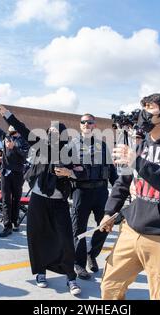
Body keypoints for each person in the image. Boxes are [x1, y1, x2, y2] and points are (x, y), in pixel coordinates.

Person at [99, 94, 160, 300]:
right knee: (110, 288)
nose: (143, 113)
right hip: (130, 231)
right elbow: (122, 183)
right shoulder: (142, 146)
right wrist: (109, 211)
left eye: (149, 108)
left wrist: (139, 163)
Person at [0, 103, 86, 296]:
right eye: (49, 130)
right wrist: (7, 114)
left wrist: (69, 172)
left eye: (55, 131)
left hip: (59, 200)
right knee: (37, 236)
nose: (51, 133)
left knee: (65, 238)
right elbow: (23, 129)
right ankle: (41, 273)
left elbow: (82, 174)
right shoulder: (41, 145)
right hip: (39, 199)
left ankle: (70, 278)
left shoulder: (70, 151)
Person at [69, 113, 118, 280]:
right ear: (80, 125)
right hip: (81, 192)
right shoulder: (71, 145)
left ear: (94, 126)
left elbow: (111, 169)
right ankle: (79, 264)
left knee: (104, 226)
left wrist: (120, 189)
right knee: (78, 230)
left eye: (89, 122)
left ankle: (92, 254)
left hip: (101, 192)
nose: (86, 125)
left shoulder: (102, 146)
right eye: (83, 122)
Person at [0, 110, 29, 237]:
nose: (11, 131)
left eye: (13, 129)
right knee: (6, 200)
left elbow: (25, 155)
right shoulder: (5, 137)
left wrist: (14, 147)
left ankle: (15, 221)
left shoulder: (24, 141)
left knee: (16, 199)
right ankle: (7, 226)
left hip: (17, 173)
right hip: (5, 172)